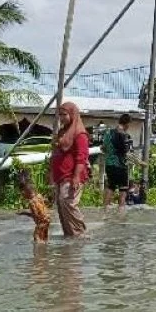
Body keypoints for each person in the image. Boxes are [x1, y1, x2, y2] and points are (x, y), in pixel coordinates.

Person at [50, 101, 90, 237]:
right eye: (59, 115)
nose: (61, 118)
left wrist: (76, 177)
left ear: (72, 114)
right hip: (60, 175)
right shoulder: (62, 132)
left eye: (64, 114)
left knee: (68, 203)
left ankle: (80, 234)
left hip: (71, 176)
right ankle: (69, 235)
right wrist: (50, 174)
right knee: (61, 206)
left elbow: (82, 157)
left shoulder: (79, 134)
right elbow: (55, 154)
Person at [102, 113, 133, 209]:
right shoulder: (126, 136)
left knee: (110, 187)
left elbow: (103, 148)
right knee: (123, 192)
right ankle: (121, 215)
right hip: (121, 166)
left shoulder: (108, 133)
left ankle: (105, 212)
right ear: (127, 124)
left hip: (109, 165)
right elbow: (128, 153)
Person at [18, 176, 51, 242]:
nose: (22, 196)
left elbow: (35, 215)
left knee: (36, 237)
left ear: (26, 192)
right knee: (44, 237)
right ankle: (45, 249)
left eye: (22, 194)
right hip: (47, 219)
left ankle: (38, 250)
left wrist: (25, 213)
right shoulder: (39, 196)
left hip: (41, 222)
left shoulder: (31, 202)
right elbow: (45, 204)